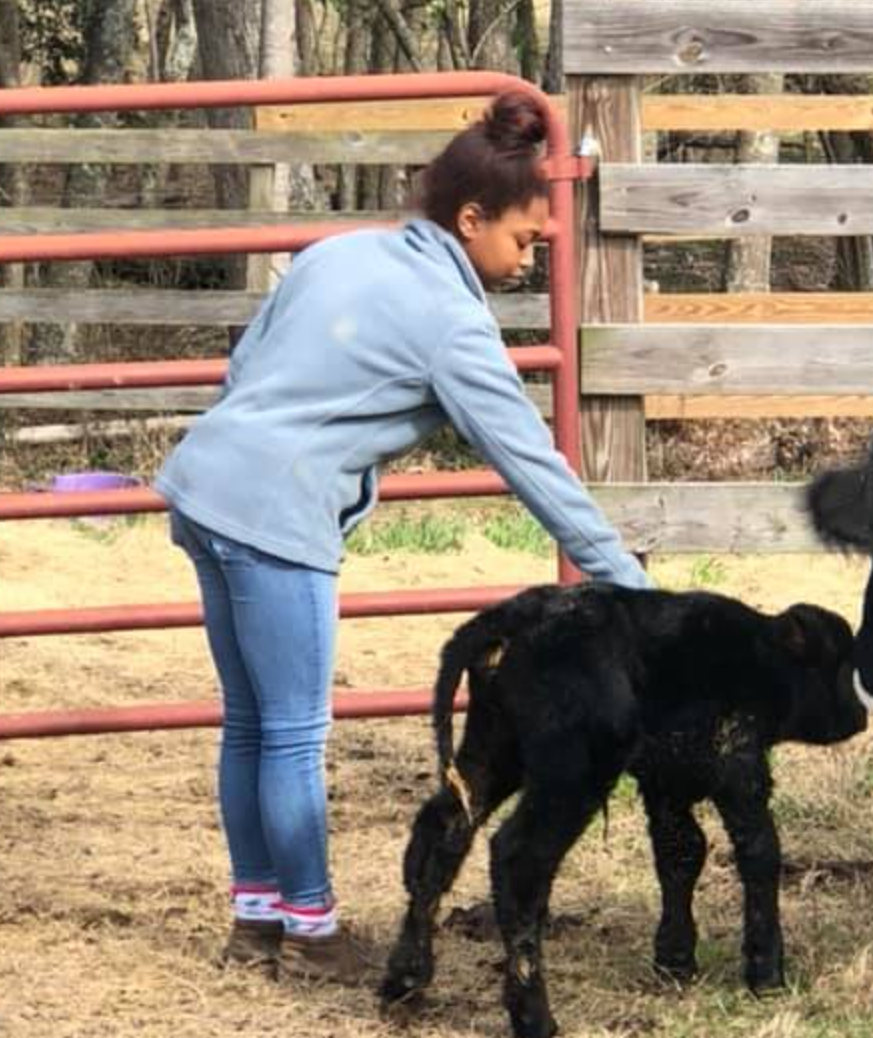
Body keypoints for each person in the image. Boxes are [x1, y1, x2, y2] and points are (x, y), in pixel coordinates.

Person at [153, 90, 651, 985]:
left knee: (250, 723)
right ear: (470, 218)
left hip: (203, 487)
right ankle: (310, 932)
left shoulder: (338, 253)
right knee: (295, 734)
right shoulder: (450, 322)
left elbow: (243, 364)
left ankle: (256, 919)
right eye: (523, 241)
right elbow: (532, 465)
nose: (529, 260)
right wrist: (635, 593)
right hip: (278, 514)